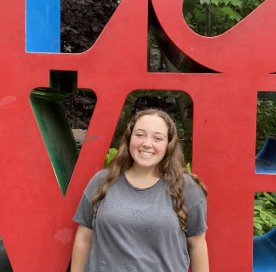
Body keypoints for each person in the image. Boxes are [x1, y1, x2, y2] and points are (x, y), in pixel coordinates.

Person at [71, 108, 209, 272]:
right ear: (129, 139)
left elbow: (197, 245)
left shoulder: (186, 188)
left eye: (158, 138)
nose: (147, 143)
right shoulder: (103, 181)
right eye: (140, 134)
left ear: (169, 145)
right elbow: (85, 237)